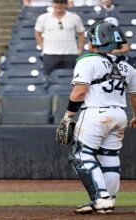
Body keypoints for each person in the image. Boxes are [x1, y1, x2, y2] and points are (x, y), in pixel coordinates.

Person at [58, 21, 136, 214]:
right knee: (109, 157)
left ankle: (101, 198)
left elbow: (79, 92)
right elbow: (134, 95)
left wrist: (68, 116)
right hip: (119, 114)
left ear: (94, 41)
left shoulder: (87, 61)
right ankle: (108, 200)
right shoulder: (128, 66)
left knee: (81, 155)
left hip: (95, 113)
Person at [35, 0, 85, 76]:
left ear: (66, 4)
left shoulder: (75, 18)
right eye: (56, 2)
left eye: (61, 3)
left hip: (70, 54)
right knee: (48, 78)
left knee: (71, 79)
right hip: (50, 55)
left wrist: (80, 49)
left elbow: (81, 33)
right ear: (52, 4)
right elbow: (38, 33)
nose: (59, 5)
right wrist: (43, 47)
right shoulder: (43, 18)